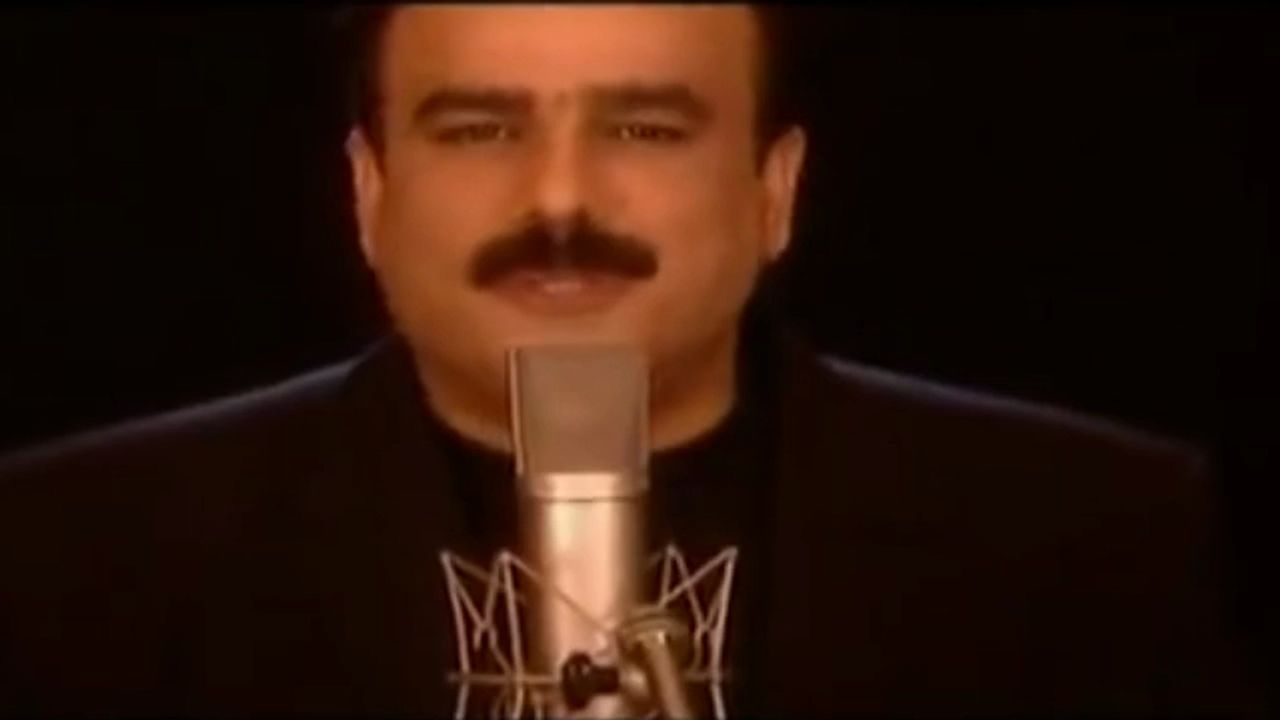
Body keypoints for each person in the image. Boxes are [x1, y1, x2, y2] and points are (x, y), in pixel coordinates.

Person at [0, 4, 1266, 717]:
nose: (559, 200)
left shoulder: (1089, 541)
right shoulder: (72, 552)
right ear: (368, 193)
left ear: (773, 191)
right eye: (479, 129)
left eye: (646, 129)